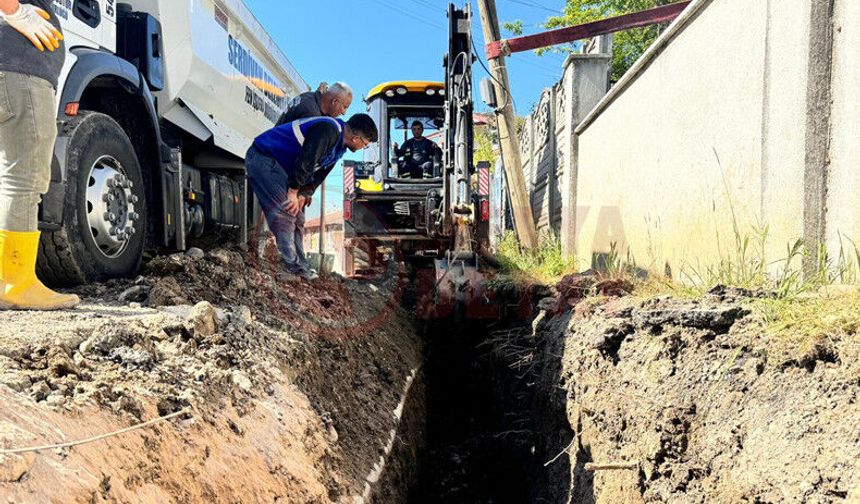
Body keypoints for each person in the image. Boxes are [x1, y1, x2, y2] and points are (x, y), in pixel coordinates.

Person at [0, 0, 79, 310]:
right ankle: (16, 285)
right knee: (24, 178)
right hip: (20, 73)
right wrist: (14, 10)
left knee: (9, 178)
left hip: (11, 70)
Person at [246, 114, 377, 279]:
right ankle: (289, 267)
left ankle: (301, 266)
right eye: (365, 145)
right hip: (263, 158)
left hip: (280, 167)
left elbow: (320, 173)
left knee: (298, 218)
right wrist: (293, 191)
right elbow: (306, 160)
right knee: (286, 212)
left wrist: (305, 192)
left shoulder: (340, 146)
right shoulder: (328, 130)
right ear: (356, 138)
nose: (362, 147)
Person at [276, 82, 353, 126]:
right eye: (345, 107)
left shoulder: (309, 96)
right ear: (335, 102)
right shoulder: (311, 114)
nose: (344, 113)